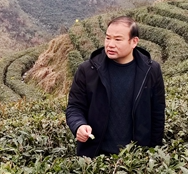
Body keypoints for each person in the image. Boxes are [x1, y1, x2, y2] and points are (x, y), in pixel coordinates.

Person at [66, 16, 166, 157]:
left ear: (134, 42)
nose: (110, 44)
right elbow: (74, 107)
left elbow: (157, 114)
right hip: (96, 157)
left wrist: (153, 153)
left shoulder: (151, 70)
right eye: (108, 38)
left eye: (118, 39)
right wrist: (78, 125)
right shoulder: (88, 70)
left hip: (135, 158)